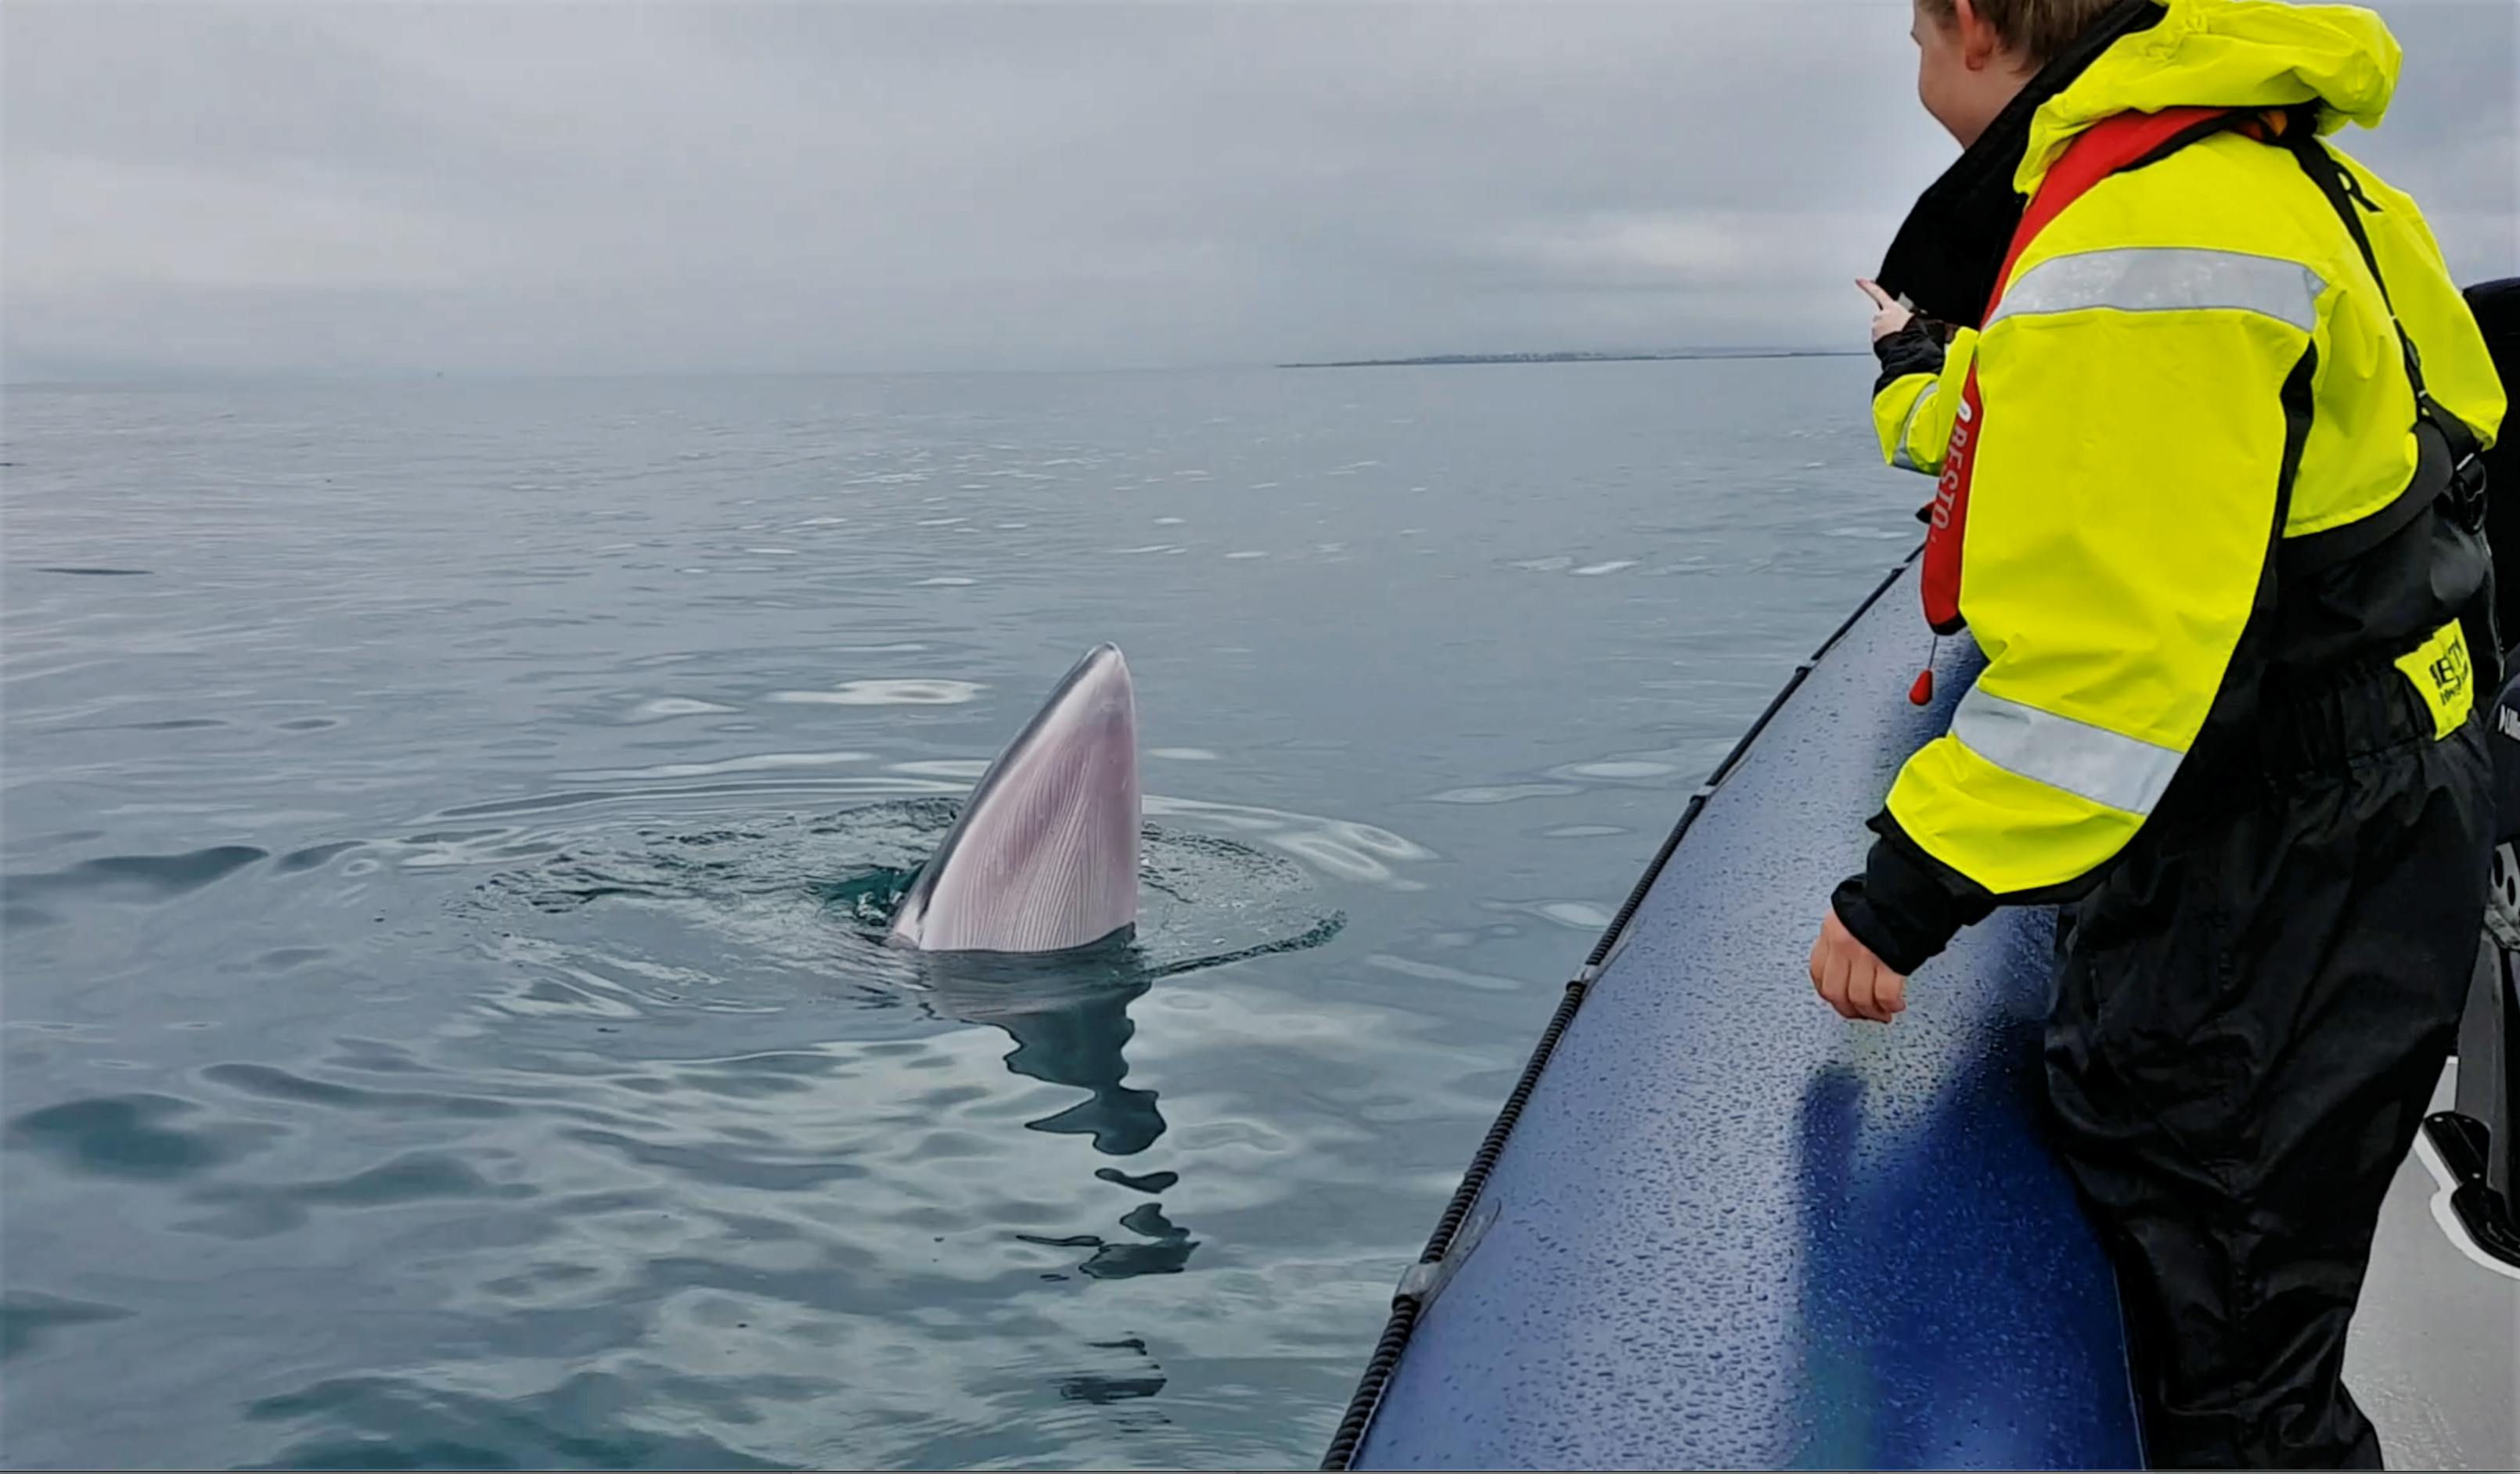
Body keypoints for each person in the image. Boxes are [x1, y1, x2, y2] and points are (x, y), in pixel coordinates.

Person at [1802, 0, 2507, 1466]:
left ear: (1983, 30)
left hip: (2287, 863)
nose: (1919, 75)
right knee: (2260, 1301)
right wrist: (1919, 369)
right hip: (2393, 799)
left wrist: (1904, 890)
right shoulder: (2289, 170)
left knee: (2232, 1354)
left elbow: (2108, 669)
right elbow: (2439, 426)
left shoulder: (2135, 240)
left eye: (1918, 39)